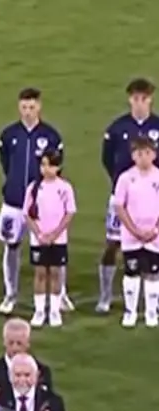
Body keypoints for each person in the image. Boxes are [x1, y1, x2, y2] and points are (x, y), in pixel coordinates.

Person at [0, 87, 65, 315]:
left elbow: (57, 167)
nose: (28, 111)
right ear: (19, 107)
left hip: (42, 207)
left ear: (39, 107)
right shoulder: (8, 135)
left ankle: (59, 293)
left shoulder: (51, 136)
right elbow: (5, 163)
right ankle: (10, 294)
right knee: (11, 246)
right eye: (24, 107)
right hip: (14, 201)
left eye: (32, 107)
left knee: (53, 249)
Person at [98, 78, 159, 313]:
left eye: (144, 98)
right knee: (113, 243)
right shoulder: (117, 128)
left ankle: (151, 297)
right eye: (136, 98)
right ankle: (105, 295)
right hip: (123, 195)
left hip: (152, 196)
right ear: (129, 99)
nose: (140, 103)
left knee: (154, 244)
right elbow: (107, 159)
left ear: (150, 99)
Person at [23, 150, 76, 328]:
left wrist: (55, 234)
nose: (47, 169)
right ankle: (39, 311)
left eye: (51, 165)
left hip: (58, 239)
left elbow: (69, 213)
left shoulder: (65, 187)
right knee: (40, 274)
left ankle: (54, 311)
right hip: (39, 238)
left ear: (58, 167)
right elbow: (27, 214)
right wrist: (39, 234)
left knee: (54, 273)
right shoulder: (34, 188)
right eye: (44, 165)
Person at [112, 136, 159, 328]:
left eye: (147, 153)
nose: (144, 157)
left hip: (155, 236)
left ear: (154, 154)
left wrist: (154, 229)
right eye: (139, 153)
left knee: (152, 273)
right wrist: (134, 230)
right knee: (131, 272)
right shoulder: (125, 178)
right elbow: (119, 207)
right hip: (132, 235)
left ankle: (151, 311)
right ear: (133, 156)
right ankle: (130, 311)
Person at [0, 318, 54, 406]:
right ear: (4, 342)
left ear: (28, 343)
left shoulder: (42, 371)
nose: (15, 348)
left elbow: (47, 404)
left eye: (19, 343)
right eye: (11, 343)